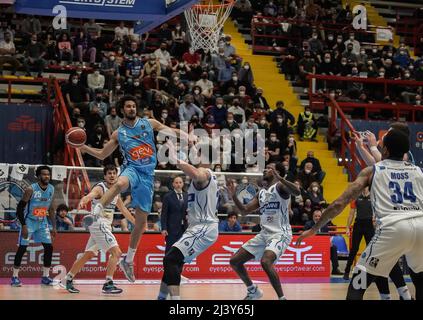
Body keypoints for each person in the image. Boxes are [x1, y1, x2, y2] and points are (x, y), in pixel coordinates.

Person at [297, 129, 423, 300]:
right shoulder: (417, 171)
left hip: (393, 229)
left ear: (385, 150)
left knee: (358, 284)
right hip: (420, 228)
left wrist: (315, 229)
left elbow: (339, 203)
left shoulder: (372, 171)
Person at [73, 95, 188, 283]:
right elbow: (103, 154)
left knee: (141, 224)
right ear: (122, 110)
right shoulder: (118, 133)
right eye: (128, 106)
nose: (132, 109)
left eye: (134, 106)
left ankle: (129, 260)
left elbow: (168, 129)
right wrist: (84, 147)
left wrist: (184, 134)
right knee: (119, 183)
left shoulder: (148, 123)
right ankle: (96, 210)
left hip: (147, 176)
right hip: (131, 169)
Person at [227, 162, 300, 300]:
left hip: (280, 233)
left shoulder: (280, 186)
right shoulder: (261, 193)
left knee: (266, 262)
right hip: (264, 234)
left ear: (277, 172)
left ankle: (282, 298)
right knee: (235, 261)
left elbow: (297, 191)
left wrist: (282, 179)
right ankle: (253, 291)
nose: (265, 170)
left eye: (269, 169)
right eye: (265, 168)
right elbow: (244, 211)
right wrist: (233, 196)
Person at [157, 141, 219, 300]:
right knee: (174, 262)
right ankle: (161, 297)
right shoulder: (209, 174)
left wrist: (174, 158)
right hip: (198, 227)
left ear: (200, 155)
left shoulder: (204, 172)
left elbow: (198, 174)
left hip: (204, 227)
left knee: (170, 259)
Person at [63, 165, 135, 294]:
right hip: (99, 223)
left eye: (114, 173)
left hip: (105, 225)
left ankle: (67, 279)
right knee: (116, 253)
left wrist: (136, 223)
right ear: (105, 176)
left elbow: (123, 210)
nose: (112, 175)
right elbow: (90, 195)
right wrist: (84, 200)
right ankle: (108, 283)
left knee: (88, 254)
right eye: (109, 173)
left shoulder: (116, 192)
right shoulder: (100, 188)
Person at [11, 166, 57, 287]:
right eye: (44, 174)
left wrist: (54, 227)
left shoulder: (51, 188)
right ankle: (14, 277)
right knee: (22, 248)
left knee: (49, 247)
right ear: (38, 176)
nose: (47, 176)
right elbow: (19, 208)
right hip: (29, 221)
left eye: (48, 174)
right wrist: (24, 225)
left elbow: (51, 209)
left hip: (42, 222)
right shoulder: (30, 189)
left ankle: (45, 277)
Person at [304, 209, 341, 275]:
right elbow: (306, 236)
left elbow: (326, 236)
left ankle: (335, 269)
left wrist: (329, 243)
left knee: (333, 247)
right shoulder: (308, 224)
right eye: (316, 216)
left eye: (319, 216)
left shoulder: (324, 225)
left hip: (322, 245)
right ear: (313, 216)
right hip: (311, 245)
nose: (317, 218)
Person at [161, 176, 188, 253]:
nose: (178, 184)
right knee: (170, 250)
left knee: (182, 251)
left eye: (180, 182)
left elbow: (190, 210)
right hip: (171, 229)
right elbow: (164, 214)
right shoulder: (168, 196)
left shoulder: (187, 196)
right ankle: (168, 265)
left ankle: (180, 265)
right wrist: (164, 228)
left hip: (184, 228)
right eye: (176, 183)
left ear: (183, 184)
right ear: (173, 184)